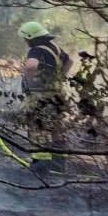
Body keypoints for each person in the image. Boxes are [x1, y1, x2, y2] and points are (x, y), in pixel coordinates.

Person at [18, 21, 73, 174]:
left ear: (31, 38)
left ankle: (40, 165)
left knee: (38, 128)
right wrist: (59, 77)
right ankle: (58, 164)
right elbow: (69, 62)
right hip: (56, 94)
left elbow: (30, 66)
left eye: (25, 39)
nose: (25, 42)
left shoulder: (36, 50)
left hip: (40, 95)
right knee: (56, 128)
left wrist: (29, 83)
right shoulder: (55, 47)